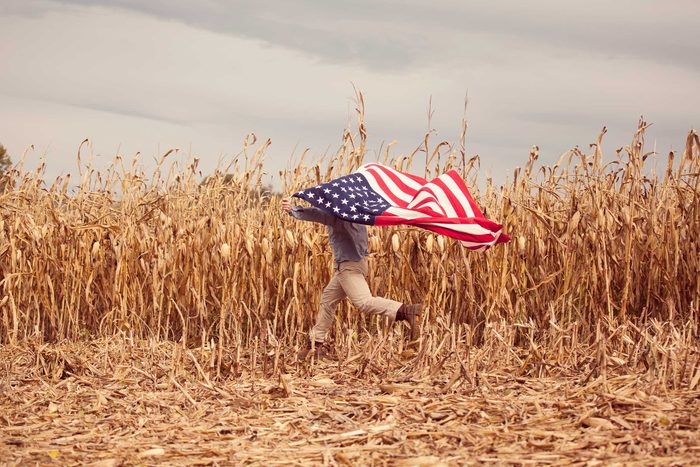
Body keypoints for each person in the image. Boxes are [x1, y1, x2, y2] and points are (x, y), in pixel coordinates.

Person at [282, 196, 422, 360]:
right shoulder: (358, 214)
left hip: (348, 267)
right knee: (328, 300)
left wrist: (293, 210)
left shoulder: (338, 214)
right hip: (354, 265)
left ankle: (406, 310)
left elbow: (317, 214)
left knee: (364, 302)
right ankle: (316, 344)